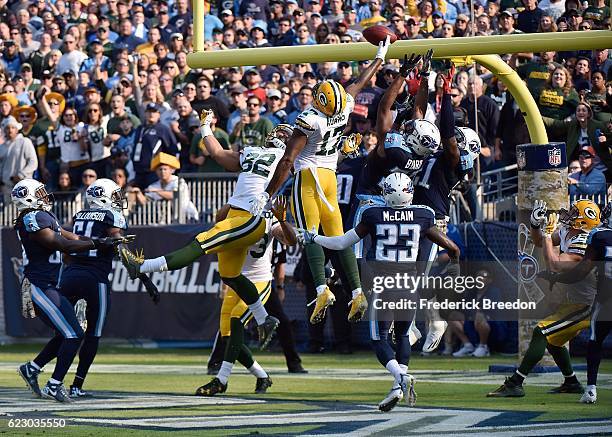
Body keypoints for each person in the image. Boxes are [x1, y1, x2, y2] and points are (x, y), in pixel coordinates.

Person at [256, 37, 395, 326]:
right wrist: (379, 57)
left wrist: (267, 194)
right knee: (338, 236)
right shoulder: (344, 107)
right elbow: (358, 84)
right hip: (330, 177)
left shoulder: (310, 119)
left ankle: (321, 289)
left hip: (308, 177)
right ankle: (357, 292)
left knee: (309, 232)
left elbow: (287, 161)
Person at [298, 172, 460, 411]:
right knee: (403, 335)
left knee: (379, 339)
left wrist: (315, 238)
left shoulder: (373, 214)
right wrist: (454, 264)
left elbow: (342, 243)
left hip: (385, 286)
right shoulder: (423, 215)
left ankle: (402, 378)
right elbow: (452, 247)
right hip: (409, 285)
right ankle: (398, 385)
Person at [120, 110, 281, 350]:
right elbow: (216, 153)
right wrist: (205, 126)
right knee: (230, 275)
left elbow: (312, 161)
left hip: (250, 217)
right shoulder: (253, 152)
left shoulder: (288, 158)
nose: (279, 134)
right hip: (237, 212)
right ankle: (263, 318)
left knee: (201, 243)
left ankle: (142, 266)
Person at [14, 179, 123, 402]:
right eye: (40, 193)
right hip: (39, 285)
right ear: (28, 197)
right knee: (73, 334)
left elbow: (70, 236)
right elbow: (63, 245)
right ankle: (54, 385)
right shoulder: (32, 217)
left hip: (49, 285)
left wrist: (100, 241)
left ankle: (32, 369)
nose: (45, 196)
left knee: (67, 333)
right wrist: (98, 243)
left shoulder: (43, 217)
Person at [488, 199, 600, 397]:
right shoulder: (568, 232)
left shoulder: (583, 243)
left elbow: (555, 265)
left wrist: (547, 234)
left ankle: (515, 382)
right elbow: (539, 242)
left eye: (574, 214)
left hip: (588, 305)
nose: (568, 215)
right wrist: (535, 225)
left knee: (542, 331)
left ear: (582, 223)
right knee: (554, 341)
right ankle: (571, 382)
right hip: (574, 301)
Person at [196, 194, 297, 396]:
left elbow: (291, 240)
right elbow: (219, 218)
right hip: (236, 281)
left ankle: (221, 380)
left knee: (236, 320)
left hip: (259, 281)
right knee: (227, 336)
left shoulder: (269, 218)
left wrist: (283, 220)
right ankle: (262, 376)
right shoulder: (236, 210)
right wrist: (236, 200)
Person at [57, 178, 138, 397]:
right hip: (95, 278)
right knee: (93, 333)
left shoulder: (79, 215)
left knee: (65, 331)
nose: (118, 200)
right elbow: (119, 245)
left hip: (71, 274)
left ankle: (45, 375)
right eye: (114, 196)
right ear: (103, 197)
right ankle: (76, 386)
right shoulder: (112, 216)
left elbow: (66, 249)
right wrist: (142, 273)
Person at [538, 202, 612, 404]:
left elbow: (578, 272)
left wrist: (555, 278)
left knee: (595, 341)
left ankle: (591, 389)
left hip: (601, 300)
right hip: (592, 299)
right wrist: (539, 229)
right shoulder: (577, 233)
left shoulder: (597, 237)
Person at [131, 103, 179, 189]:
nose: (151, 114)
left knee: (151, 195)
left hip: (153, 171)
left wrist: (166, 168)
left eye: (154, 112)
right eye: (149, 112)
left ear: (159, 114)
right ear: (145, 113)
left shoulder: (163, 129)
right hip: (139, 170)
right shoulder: (140, 128)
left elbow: (172, 149)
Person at [0, 116, 38, 202]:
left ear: (17, 129)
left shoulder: (25, 141)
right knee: (9, 214)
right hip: (7, 188)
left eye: (13, 127)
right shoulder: (1, 147)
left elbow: (33, 162)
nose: (10, 130)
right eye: (7, 128)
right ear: (4, 130)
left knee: (26, 213)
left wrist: (21, 175)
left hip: (24, 185)